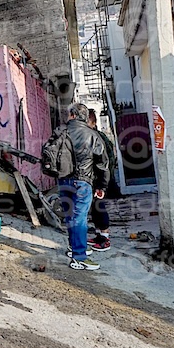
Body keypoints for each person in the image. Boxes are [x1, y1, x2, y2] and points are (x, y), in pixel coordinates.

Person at [59, 103, 109, 271]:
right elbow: (102, 163)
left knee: (70, 217)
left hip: (63, 180)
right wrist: (102, 185)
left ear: (72, 115)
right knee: (79, 218)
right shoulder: (93, 135)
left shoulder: (61, 132)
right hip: (83, 182)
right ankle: (79, 257)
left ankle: (74, 248)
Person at [87, 109, 118, 252]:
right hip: (98, 178)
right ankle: (99, 235)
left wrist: (102, 182)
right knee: (95, 208)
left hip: (99, 179)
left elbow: (106, 161)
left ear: (92, 123)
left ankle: (105, 238)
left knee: (99, 207)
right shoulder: (96, 136)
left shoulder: (96, 138)